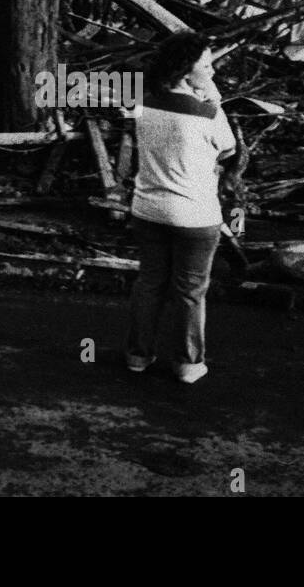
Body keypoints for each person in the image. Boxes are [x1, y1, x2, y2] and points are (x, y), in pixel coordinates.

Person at [126, 31, 237, 384]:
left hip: (147, 208)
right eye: (206, 66)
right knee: (189, 291)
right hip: (194, 215)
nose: (212, 71)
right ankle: (189, 364)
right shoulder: (206, 113)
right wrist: (215, 99)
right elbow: (229, 152)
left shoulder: (142, 101)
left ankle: (137, 356)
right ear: (187, 71)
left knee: (149, 284)